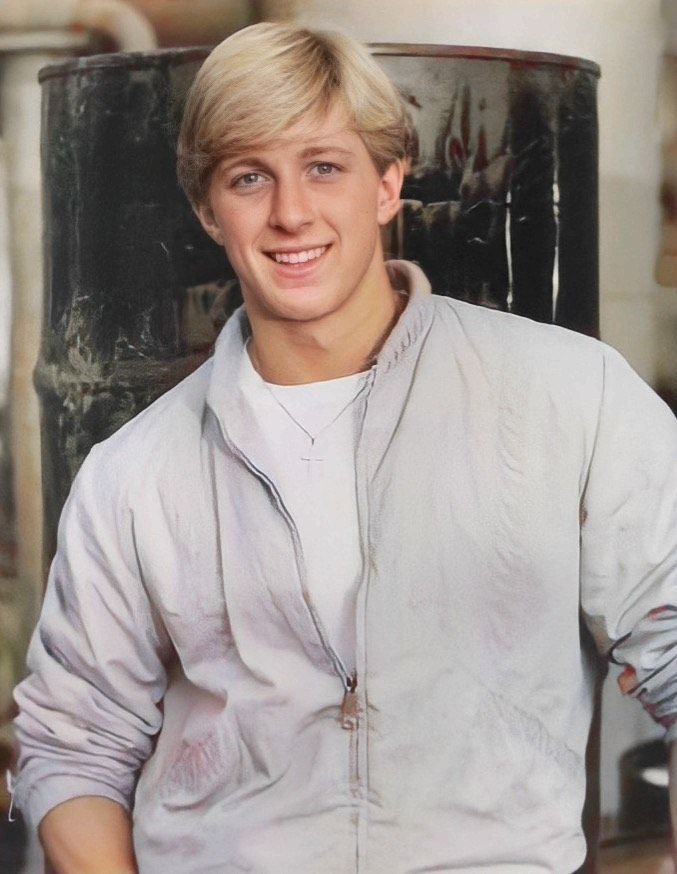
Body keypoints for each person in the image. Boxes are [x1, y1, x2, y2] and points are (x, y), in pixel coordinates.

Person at [10, 21, 677, 874]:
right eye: (250, 177)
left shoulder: (569, 397)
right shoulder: (133, 474)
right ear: (209, 209)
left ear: (387, 184)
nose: (291, 213)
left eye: (325, 167)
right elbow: (73, 747)